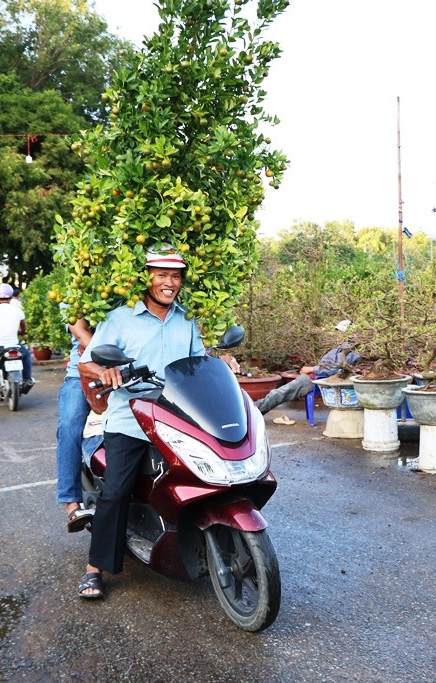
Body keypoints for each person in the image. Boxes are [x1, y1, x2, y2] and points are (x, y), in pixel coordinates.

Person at [74, 245, 240, 600]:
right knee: (117, 490)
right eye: (162, 275)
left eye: (176, 276)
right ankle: (94, 568)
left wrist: (220, 361)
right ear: (147, 278)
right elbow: (87, 363)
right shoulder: (120, 318)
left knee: (207, 472)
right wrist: (108, 371)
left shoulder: (187, 319)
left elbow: (196, 364)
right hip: (130, 419)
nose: (169, 282)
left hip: (177, 417)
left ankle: (198, 540)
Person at [252, 319, 362, 420]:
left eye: (341, 333)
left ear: (349, 335)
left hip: (317, 381)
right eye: (337, 332)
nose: (337, 336)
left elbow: (334, 370)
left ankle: (253, 412)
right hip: (313, 377)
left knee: (278, 393)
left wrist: (312, 369)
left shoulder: (352, 352)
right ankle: (254, 410)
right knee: (277, 393)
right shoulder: (339, 349)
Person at [57, 315, 97, 532]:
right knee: (70, 425)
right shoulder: (75, 287)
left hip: (133, 369)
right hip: (83, 372)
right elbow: (80, 331)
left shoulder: (136, 285)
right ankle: (72, 502)